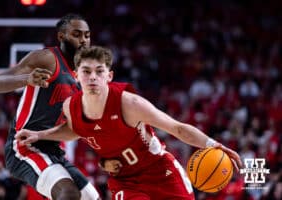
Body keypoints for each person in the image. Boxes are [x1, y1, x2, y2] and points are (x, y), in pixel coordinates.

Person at [16, 46, 243, 200]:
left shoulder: (130, 103)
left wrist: (214, 144)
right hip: (125, 181)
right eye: (86, 71)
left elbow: (178, 128)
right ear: (76, 76)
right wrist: (40, 135)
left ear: (109, 76)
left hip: (161, 172)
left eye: (99, 71)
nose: (93, 77)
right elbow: (74, 129)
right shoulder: (70, 107)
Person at [0, 14, 100, 200]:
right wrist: (26, 79)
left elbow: (74, 129)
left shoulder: (84, 75)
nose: (83, 40)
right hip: (24, 147)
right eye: (77, 34)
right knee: (68, 193)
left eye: (87, 35)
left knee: (90, 197)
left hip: (54, 149)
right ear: (61, 36)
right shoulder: (47, 59)